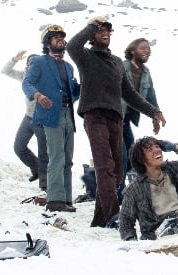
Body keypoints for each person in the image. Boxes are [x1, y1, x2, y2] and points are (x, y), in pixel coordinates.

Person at [67, 16, 166, 228]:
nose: (105, 33)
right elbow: (72, 46)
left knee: (118, 171)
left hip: (115, 118)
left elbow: (129, 94)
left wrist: (153, 111)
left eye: (107, 31)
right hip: (94, 115)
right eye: (100, 31)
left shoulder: (116, 63)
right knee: (105, 167)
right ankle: (114, 215)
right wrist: (91, 26)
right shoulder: (86, 56)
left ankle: (100, 220)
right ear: (93, 36)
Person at [22, 24, 81, 212]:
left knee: (68, 159)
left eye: (62, 37)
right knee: (57, 157)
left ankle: (66, 199)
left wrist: (85, 85)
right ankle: (55, 201)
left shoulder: (69, 67)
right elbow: (27, 83)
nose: (60, 40)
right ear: (48, 43)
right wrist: (38, 95)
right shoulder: (39, 62)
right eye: (56, 37)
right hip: (51, 115)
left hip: (68, 114)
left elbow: (73, 92)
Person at [119, 137, 178, 241]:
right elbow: (125, 221)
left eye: (157, 146)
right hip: (159, 234)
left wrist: (175, 147)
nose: (157, 150)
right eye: (150, 150)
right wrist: (131, 240)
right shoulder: (134, 188)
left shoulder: (173, 170)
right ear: (141, 159)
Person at [1, 49, 48, 189]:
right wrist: (14, 59)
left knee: (44, 153)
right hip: (27, 118)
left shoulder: (46, 77)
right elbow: (5, 71)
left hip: (42, 120)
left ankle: (45, 183)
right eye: (29, 62)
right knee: (19, 147)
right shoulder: (24, 75)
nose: (32, 65)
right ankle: (36, 169)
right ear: (27, 65)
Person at [120, 38, 157, 192]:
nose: (147, 50)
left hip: (127, 120)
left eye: (148, 48)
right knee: (121, 155)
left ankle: (125, 187)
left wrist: (155, 116)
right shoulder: (121, 66)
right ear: (132, 51)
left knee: (132, 155)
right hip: (115, 117)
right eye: (143, 48)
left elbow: (150, 96)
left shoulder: (146, 72)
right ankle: (119, 192)